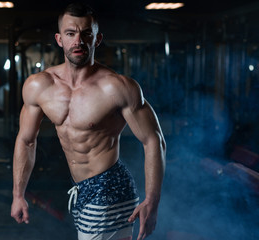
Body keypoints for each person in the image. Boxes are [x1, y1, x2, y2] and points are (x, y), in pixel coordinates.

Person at [11, 3, 166, 240]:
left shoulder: (117, 87)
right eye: (70, 33)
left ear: (97, 39)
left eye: (86, 34)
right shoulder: (39, 86)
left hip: (110, 187)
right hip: (81, 188)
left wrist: (152, 202)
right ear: (59, 39)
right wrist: (18, 195)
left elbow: (154, 140)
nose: (78, 41)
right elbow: (26, 141)